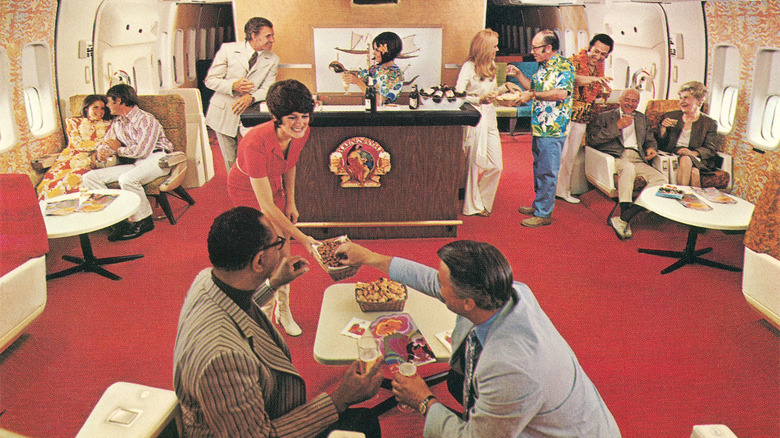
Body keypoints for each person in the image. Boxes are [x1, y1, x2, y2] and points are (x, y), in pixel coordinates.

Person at [335, 240, 621, 437]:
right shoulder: (507, 291)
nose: (437, 285)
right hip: (541, 407)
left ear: (468, 303)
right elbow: (429, 280)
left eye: (443, 284)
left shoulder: (510, 369)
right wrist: (368, 257)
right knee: (456, 380)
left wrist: (423, 400)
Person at [173, 206, 384, 438]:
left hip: (244, 419)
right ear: (259, 260)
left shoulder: (207, 279)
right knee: (364, 424)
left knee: (362, 420)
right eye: (278, 243)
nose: (283, 247)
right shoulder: (222, 358)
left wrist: (272, 284)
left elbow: (236, 307)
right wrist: (339, 399)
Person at [227, 79, 318, 336]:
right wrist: (306, 239)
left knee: (284, 248)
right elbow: (265, 205)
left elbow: (289, 164)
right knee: (265, 251)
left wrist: (291, 201)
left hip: (274, 186)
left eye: (304, 115)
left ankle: (284, 310)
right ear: (276, 117)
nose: (300, 123)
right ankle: (265, 315)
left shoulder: (301, 132)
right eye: (292, 117)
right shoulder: (254, 143)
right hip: (247, 192)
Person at [82, 84, 172, 241]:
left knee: (127, 179)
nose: (107, 106)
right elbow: (108, 142)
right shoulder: (117, 122)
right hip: (136, 163)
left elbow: (143, 151)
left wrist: (118, 150)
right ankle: (117, 221)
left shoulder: (146, 120)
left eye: (109, 102)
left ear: (119, 100)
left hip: (158, 159)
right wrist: (102, 151)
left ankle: (143, 221)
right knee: (89, 177)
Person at [506, 30, 575, 227]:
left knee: (548, 171)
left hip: (553, 128)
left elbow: (561, 93)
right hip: (539, 125)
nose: (532, 51)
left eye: (535, 48)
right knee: (539, 167)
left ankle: (544, 213)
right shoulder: (543, 66)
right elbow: (532, 87)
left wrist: (533, 95)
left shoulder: (564, 65)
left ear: (548, 48)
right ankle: (539, 204)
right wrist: (518, 74)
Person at [586, 89, 666, 240]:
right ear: (620, 100)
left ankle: (625, 217)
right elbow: (592, 139)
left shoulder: (642, 119)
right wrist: (617, 126)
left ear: (638, 103)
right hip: (617, 156)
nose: (630, 103)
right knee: (628, 169)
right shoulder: (605, 117)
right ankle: (625, 216)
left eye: (634, 101)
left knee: (661, 180)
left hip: (638, 157)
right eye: (627, 100)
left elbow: (650, 139)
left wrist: (651, 148)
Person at [456, 29, 520, 217]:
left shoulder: (491, 64)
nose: (497, 49)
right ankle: (473, 205)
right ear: (484, 47)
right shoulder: (468, 67)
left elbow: (491, 93)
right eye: (494, 46)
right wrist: (479, 100)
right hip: (473, 117)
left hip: (489, 117)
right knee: (473, 165)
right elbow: (458, 96)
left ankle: (482, 200)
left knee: (496, 165)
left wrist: (505, 88)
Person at [205, 17, 279, 172]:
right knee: (230, 160)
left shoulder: (272, 59)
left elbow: (267, 89)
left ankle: (255, 189)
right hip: (224, 111)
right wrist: (232, 86)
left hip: (250, 111)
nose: (272, 40)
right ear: (253, 35)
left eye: (272, 36)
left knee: (254, 155)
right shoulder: (228, 50)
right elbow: (210, 80)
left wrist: (251, 97)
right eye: (268, 36)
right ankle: (236, 191)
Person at [556, 34, 614, 204]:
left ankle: (562, 190)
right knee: (560, 155)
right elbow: (573, 80)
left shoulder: (599, 69)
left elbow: (591, 92)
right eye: (596, 51)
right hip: (563, 115)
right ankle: (547, 189)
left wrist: (602, 91)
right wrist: (594, 79)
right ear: (589, 47)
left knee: (570, 156)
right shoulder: (572, 61)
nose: (599, 56)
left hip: (582, 117)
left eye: (603, 54)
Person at [37, 95, 112, 200]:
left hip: (92, 159)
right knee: (48, 184)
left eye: (102, 108)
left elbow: (109, 143)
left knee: (69, 181)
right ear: (86, 108)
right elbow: (76, 144)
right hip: (70, 158)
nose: (99, 111)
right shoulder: (73, 122)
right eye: (95, 107)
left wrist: (95, 153)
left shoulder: (109, 124)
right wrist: (100, 143)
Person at [657, 81, 721, 187]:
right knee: (694, 172)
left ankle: (680, 195)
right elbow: (660, 144)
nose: (681, 102)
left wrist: (692, 153)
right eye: (680, 98)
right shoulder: (670, 116)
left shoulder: (709, 123)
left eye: (686, 98)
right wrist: (663, 129)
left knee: (688, 161)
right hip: (672, 154)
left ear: (699, 100)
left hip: (697, 158)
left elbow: (710, 149)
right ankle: (693, 201)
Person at [341, 31, 404, 104]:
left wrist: (358, 82)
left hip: (385, 114)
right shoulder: (374, 69)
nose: (373, 53)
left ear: (387, 51)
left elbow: (378, 101)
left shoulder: (395, 74)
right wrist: (342, 68)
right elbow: (358, 75)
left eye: (377, 50)